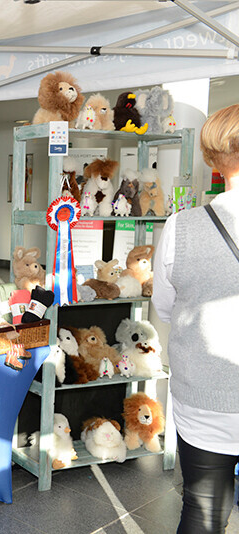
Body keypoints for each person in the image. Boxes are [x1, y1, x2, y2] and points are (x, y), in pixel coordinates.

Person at [152, 103, 239, 533]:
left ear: (213, 157)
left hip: (204, 398)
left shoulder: (182, 227)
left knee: (203, 510)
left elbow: (165, 309)